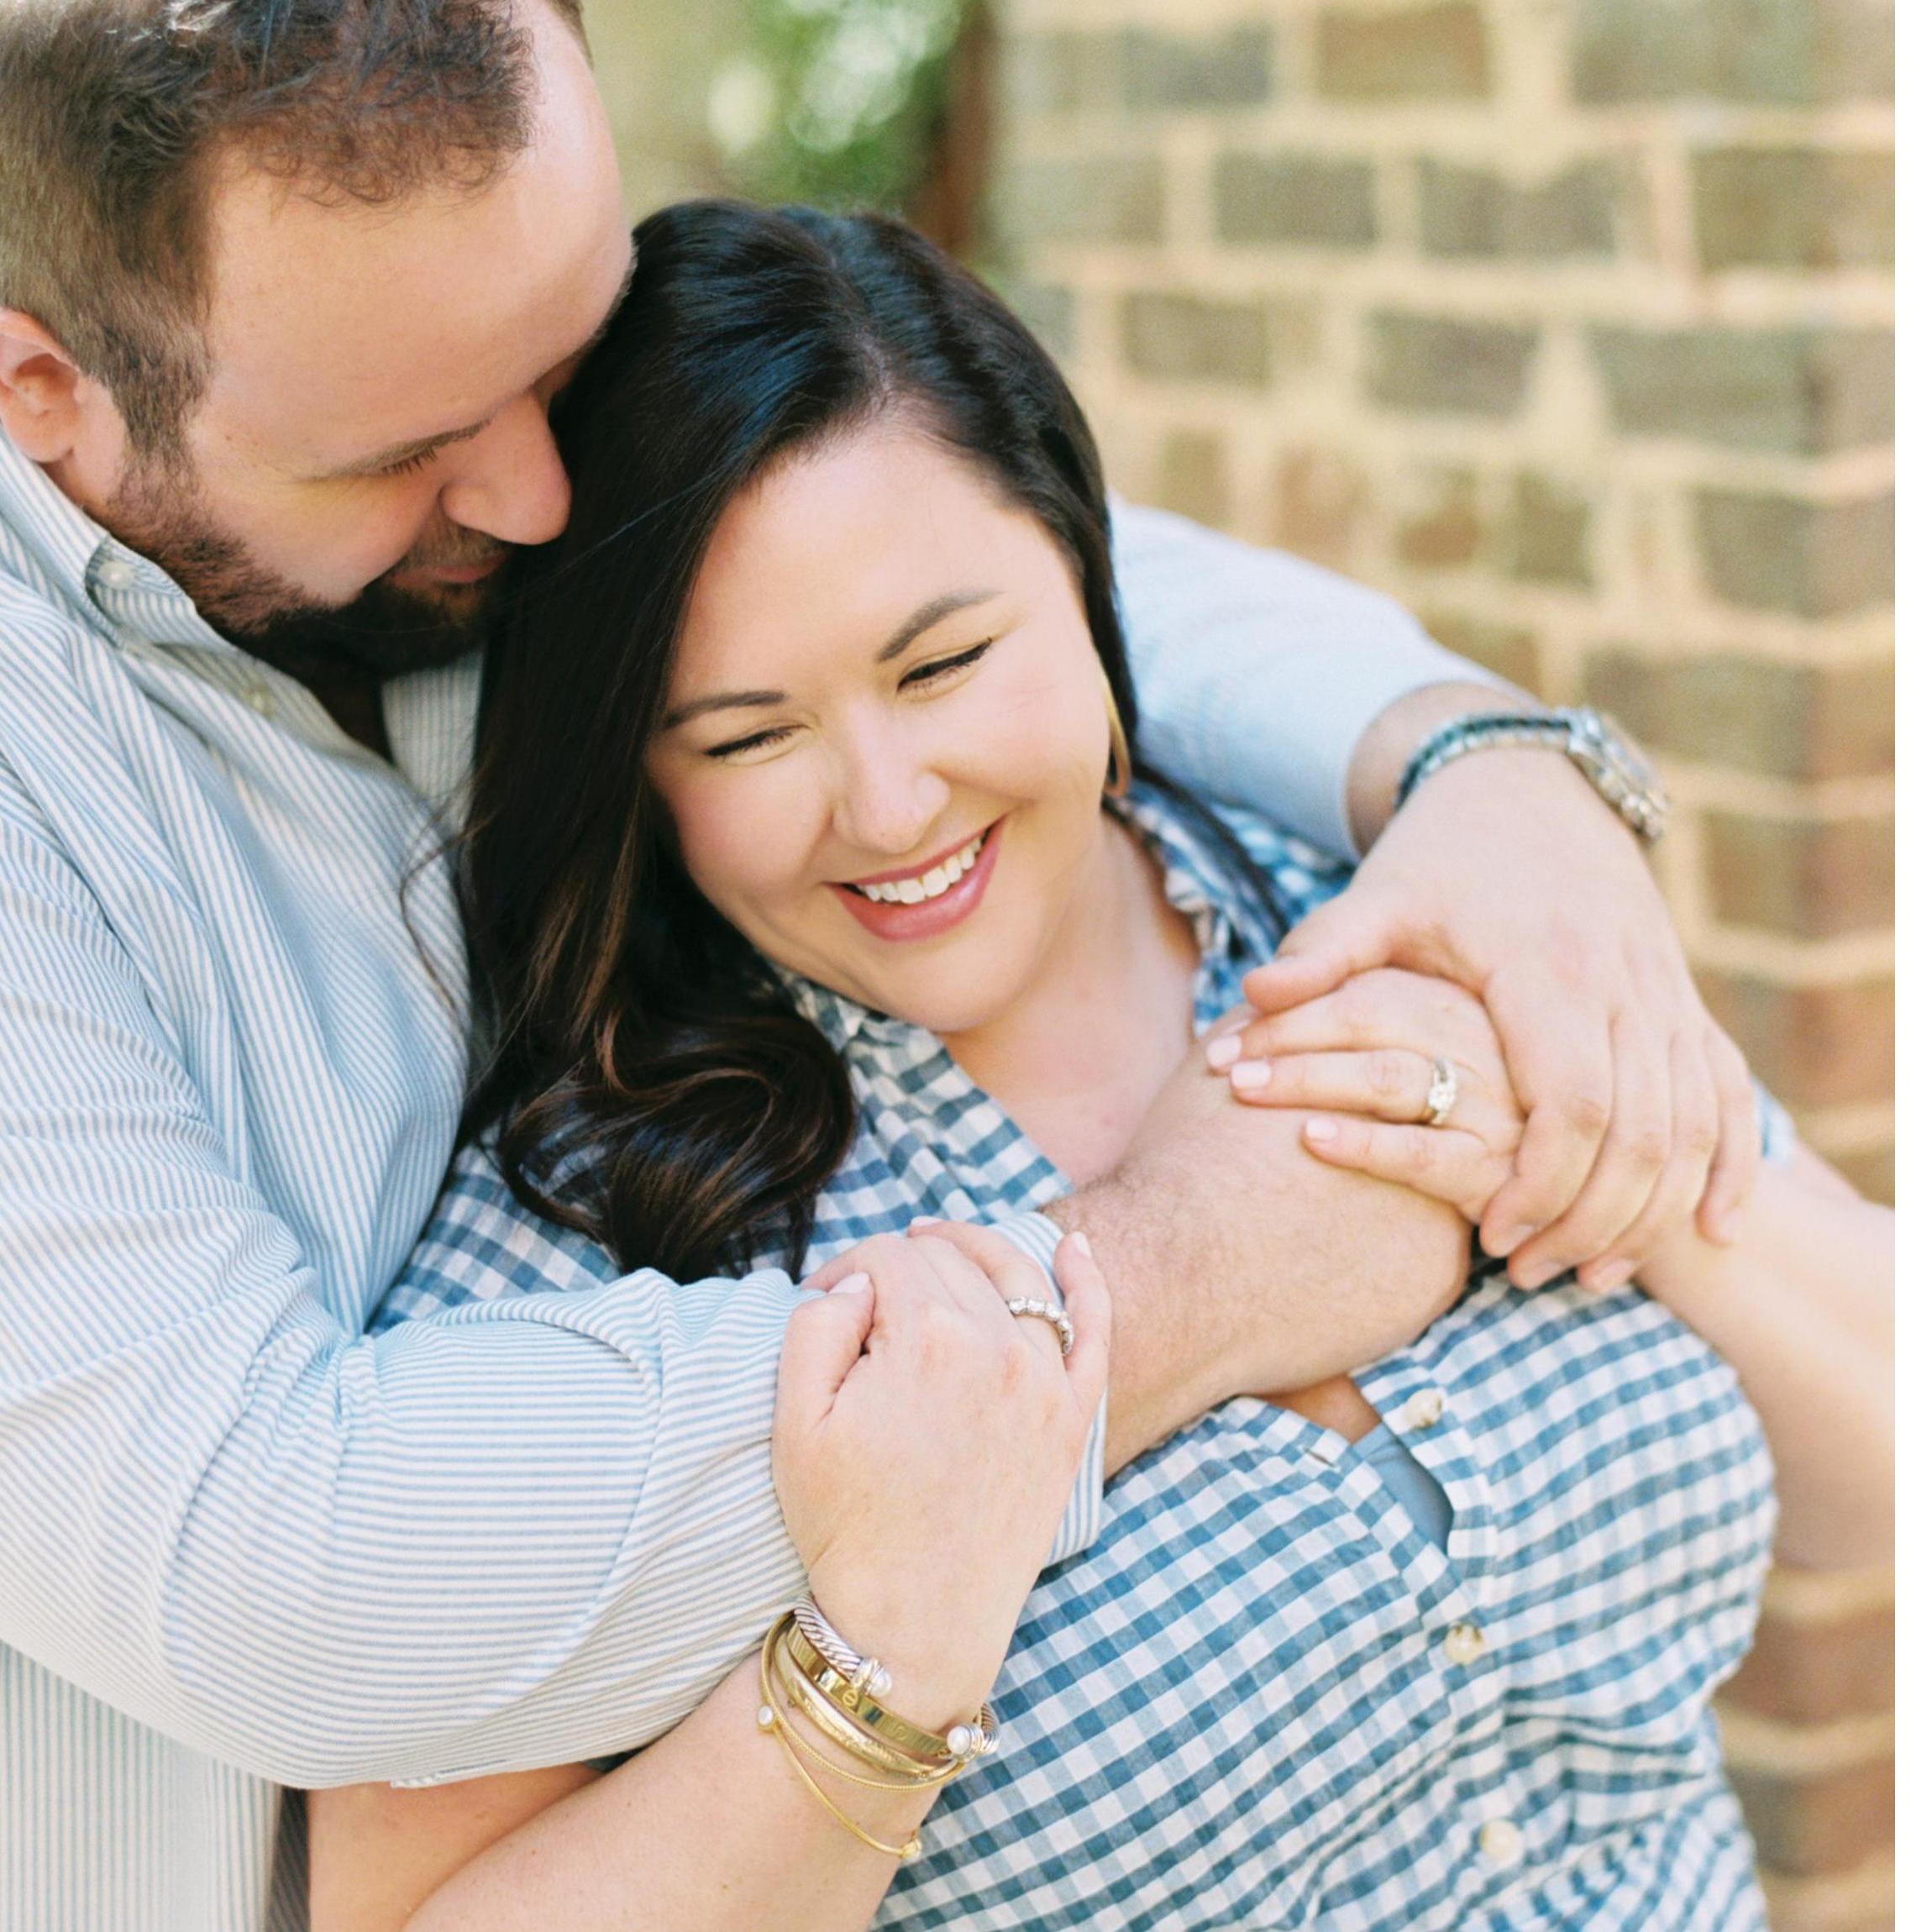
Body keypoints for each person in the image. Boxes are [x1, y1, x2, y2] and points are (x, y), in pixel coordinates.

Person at [0, 3, 1777, 1925]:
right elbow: (271, 1569)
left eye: (566, 362)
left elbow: (939, 531)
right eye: (415, 449)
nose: (539, 502)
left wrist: (1491, 768)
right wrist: (1163, 1280)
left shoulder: (397, 354)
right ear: (48, 395)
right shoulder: (561, 1218)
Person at [307, 202, 1893, 1931]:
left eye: (945, 660)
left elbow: (1882, 1454)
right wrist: (887, 1640)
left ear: (1081, 567)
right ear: (638, 771)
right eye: (748, 733)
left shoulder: (1379, 904)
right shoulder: (585, 1235)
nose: (892, 805)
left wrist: (1556, 1134)